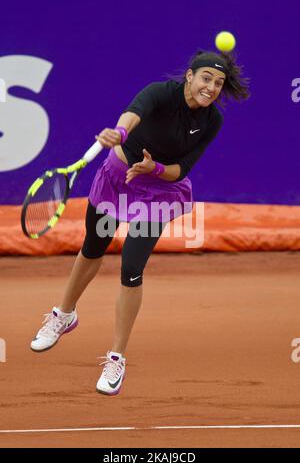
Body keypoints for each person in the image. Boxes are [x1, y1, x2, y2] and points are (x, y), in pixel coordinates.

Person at [30, 50, 250, 396]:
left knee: (131, 268)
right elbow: (134, 114)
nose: (211, 88)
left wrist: (156, 169)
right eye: (206, 78)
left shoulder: (212, 122)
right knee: (93, 247)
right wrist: (119, 132)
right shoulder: (160, 92)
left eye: (219, 83)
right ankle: (64, 314)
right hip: (118, 178)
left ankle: (116, 357)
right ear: (190, 76)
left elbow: (183, 169)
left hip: (158, 193)